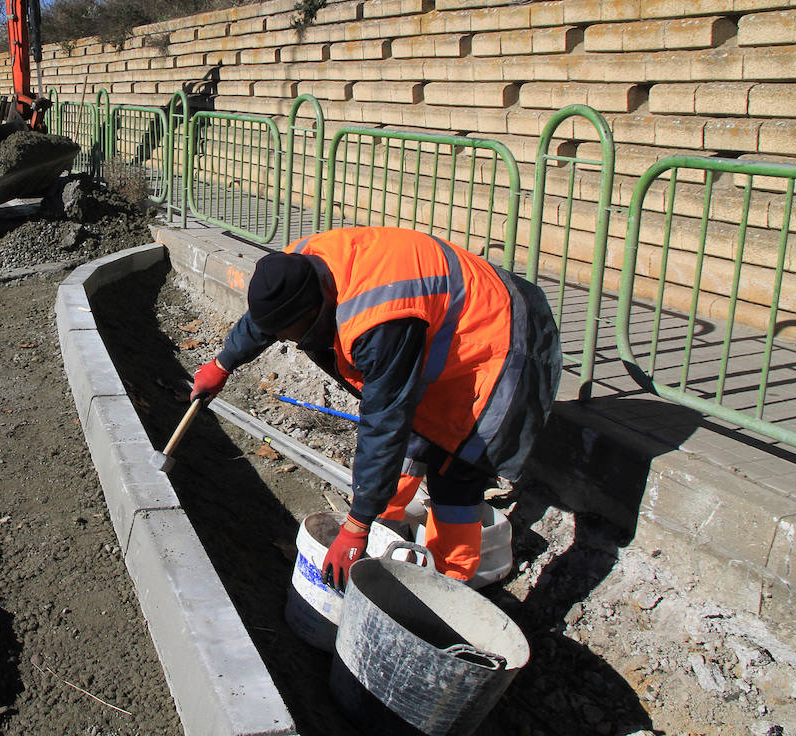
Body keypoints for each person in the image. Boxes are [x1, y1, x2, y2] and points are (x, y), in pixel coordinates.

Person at [191, 227, 561, 588]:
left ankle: (448, 585)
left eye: (293, 334)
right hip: (440, 325)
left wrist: (354, 528)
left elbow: (384, 420)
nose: (290, 341)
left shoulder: (376, 322)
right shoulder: (297, 267)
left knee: (455, 468)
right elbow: (267, 320)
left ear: (315, 311)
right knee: (411, 442)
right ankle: (382, 529)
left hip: (499, 338)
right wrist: (223, 364)